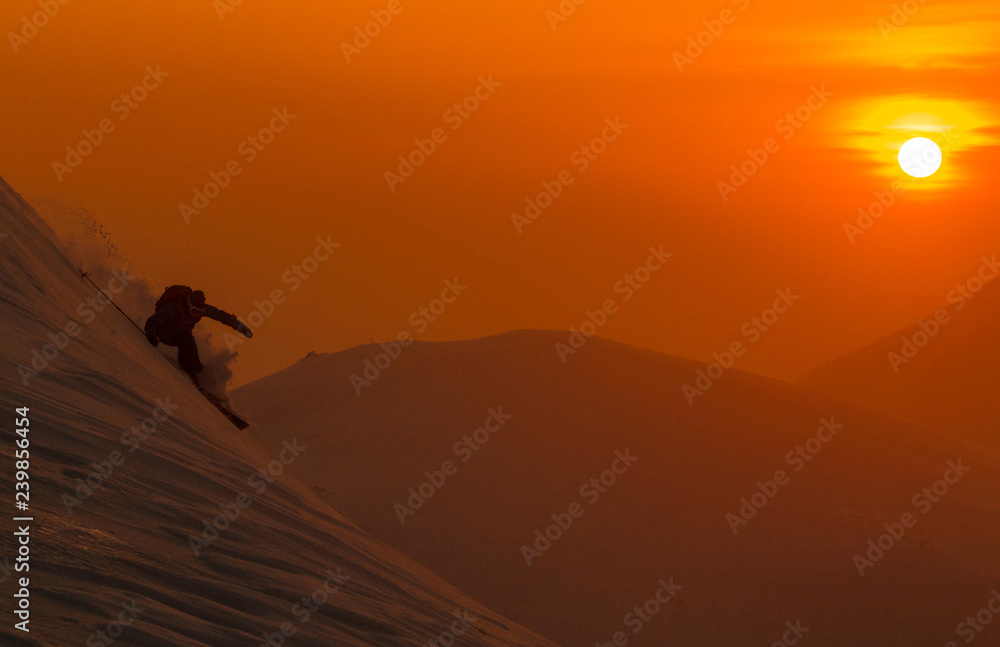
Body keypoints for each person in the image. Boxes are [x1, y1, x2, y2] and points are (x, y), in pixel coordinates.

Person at [144, 287, 252, 387]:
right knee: (186, 340)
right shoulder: (173, 308)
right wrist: (151, 335)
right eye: (195, 311)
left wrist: (240, 327)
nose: (196, 315)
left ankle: (199, 372)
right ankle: (187, 371)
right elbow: (152, 321)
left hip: (183, 334)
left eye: (199, 312)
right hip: (164, 332)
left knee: (192, 347)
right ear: (189, 304)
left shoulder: (201, 309)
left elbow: (220, 315)